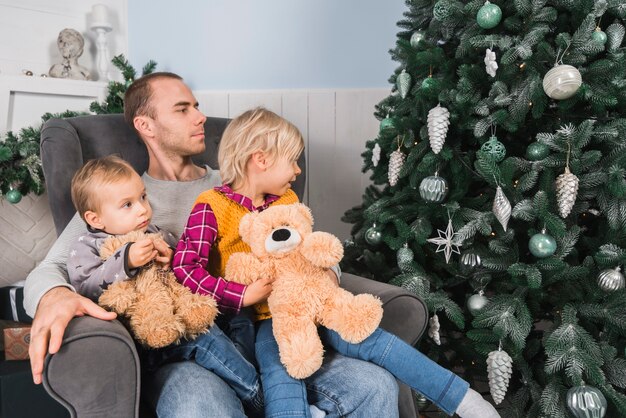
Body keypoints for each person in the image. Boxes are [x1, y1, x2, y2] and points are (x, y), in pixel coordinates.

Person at [24, 72, 400, 417]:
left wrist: (328, 275)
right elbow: (52, 267)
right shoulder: (119, 198)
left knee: (375, 386)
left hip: (275, 328)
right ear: (146, 125)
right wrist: (54, 296)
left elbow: (302, 238)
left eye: (198, 107)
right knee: (197, 406)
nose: (200, 117)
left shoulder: (239, 182)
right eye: (183, 109)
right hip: (190, 344)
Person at [172, 107, 501, 418]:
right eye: (293, 161)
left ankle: (464, 399)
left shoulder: (287, 201)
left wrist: (329, 272)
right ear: (261, 160)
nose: (298, 171)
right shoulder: (211, 206)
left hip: (318, 303)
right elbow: (186, 269)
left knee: (370, 338)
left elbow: (310, 250)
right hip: (265, 320)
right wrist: (239, 295)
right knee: (282, 373)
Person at [65, 155, 265, 416]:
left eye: (143, 197)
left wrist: (171, 258)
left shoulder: (154, 233)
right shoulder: (88, 246)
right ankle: (258, 395)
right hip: (151, 337)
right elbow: (85, 286)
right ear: (95, 218)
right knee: (204, 337)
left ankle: (247, 376)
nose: (142, 209)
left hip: (182, 315)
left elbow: (184, 268)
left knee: (238, 317)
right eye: (127, 205)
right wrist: (125, 260)